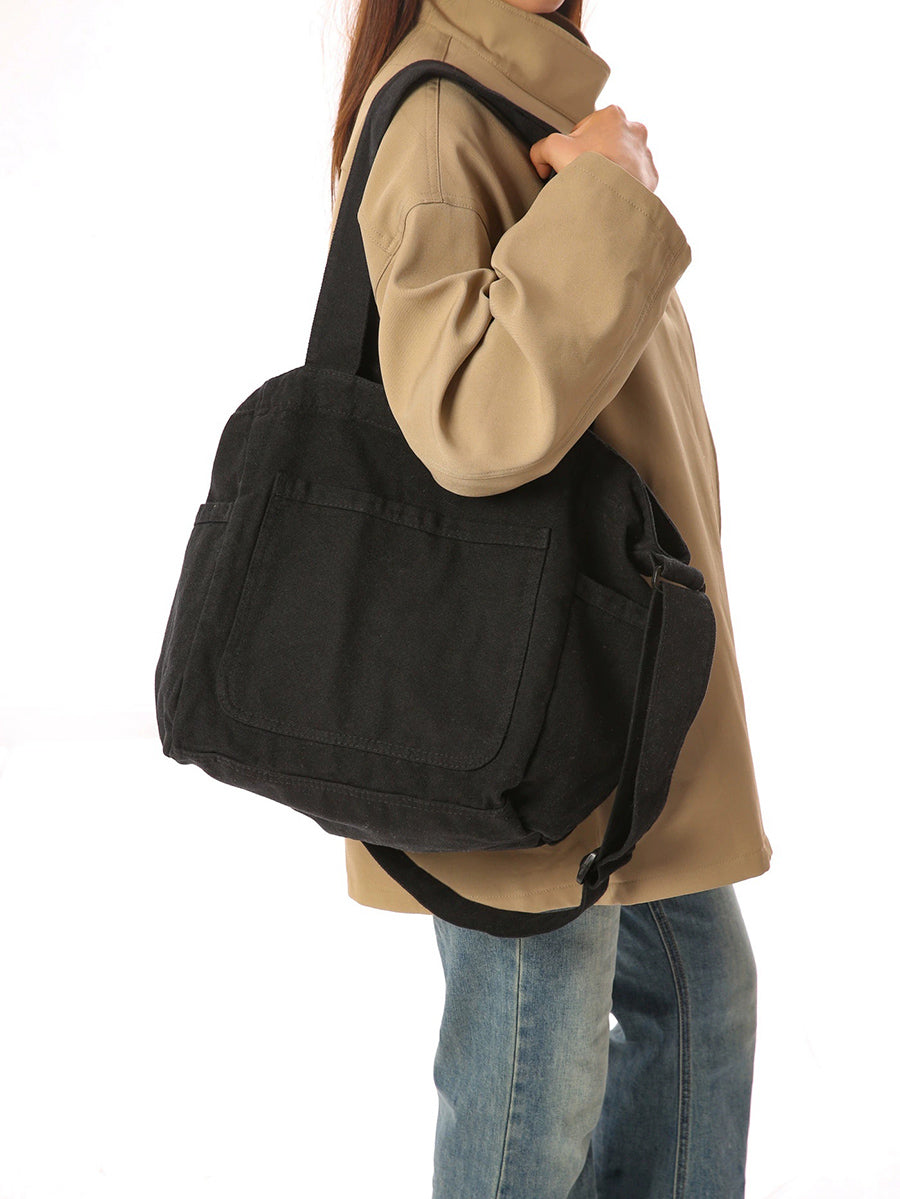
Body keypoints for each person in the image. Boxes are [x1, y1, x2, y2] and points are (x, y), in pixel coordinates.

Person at [326, 1, 772, 1194]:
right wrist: (603, 194)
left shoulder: (515, 93)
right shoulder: (438, 111)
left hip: (607, 674)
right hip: (521, 696)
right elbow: (473, 422)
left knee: (701, 1000)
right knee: (535, 1086)